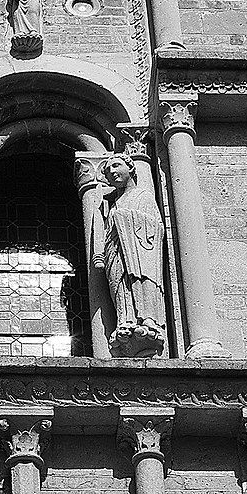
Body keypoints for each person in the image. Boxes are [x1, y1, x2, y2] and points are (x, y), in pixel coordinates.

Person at [100, 149, 167, 356]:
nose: (112, 172)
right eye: (107, 170)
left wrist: (125, 219)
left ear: (130, 167)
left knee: (141, 280)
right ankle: (125, 320)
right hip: (117, 254)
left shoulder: (144, 196)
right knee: (120, 286)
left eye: (116, 166)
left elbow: (157, 228)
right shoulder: (111, 204)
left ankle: (147, 319)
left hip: (140, 253)